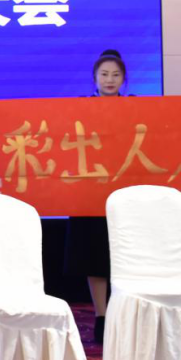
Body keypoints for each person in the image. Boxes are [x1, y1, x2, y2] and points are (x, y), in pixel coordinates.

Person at [65, 48, 127, 343]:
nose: (109, 80)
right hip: (89, 193)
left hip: (124, 194)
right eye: (104, 74)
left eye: (115, 75)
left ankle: (122, 315)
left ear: (124, 79)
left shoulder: (137, 108)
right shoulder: (81, 107)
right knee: (95, 257)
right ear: (95, 78)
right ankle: (101, 316)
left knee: (123, 256)